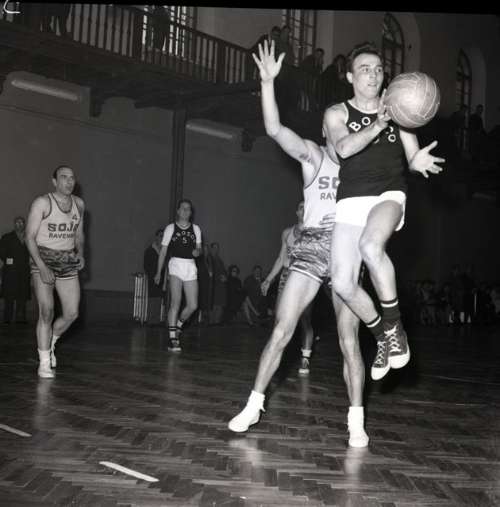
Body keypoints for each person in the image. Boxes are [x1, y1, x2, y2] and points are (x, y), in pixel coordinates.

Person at [228, 40, 368, 448]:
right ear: (326, 131)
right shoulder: (313, 156)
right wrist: (267, 83)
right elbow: (275, 130)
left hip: (346, 249)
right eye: (334, 127)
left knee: (348, 340)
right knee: (281, 329)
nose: (341, 132)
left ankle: (356, 419)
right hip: (310, 246)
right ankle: (254, 404)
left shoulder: (363, 170)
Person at [322, 41, 445, 381]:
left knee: (371, 246)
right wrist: (377, 125)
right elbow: (344, 148)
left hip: (389, 193)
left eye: (378, 69)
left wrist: (418, 161)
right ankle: (382, 336)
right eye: (365, 69)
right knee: (342, 282)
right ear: (350, 76)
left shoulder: (398, 107)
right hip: (351, 199)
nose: (373, 75)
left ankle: (395, 328)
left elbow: (412, 155)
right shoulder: (336, 113)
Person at [25, 166, 85, 378]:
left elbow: (79, 235)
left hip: (67, 259)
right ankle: (44, 363)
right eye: (63, 177)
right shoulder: (42, 203)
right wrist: (41, 266)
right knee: (47, 311)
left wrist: (81, 253)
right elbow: (29, 237)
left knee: (72, 313)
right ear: (54, 181)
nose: (69, 181)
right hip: (43, 258)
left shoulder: (79, 204)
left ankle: (51, 342)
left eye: (72, 177)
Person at [260, 201, 317, 375]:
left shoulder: (316, 232)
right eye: (300, 207)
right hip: (286, 276)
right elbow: (280, 258)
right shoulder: (287, 232)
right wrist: (268, 279)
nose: (303, 210)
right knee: (279, 319)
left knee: (305, 319)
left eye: (306, 207)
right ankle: (276, 359)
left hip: (306, 277)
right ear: (296, 212)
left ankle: (305, 358)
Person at [154, 199, 202, 352]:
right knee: (176, 302)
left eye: (189, 209)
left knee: (193, 305)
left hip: (190, 266)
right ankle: (172, 338)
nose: (186, 211)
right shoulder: (170, 228)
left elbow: (199, 249)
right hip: (175, 265)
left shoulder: (196, 229)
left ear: (191, 212)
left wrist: (198, 252)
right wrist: (159, 272)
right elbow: (163, 252)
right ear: (178, 211)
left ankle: (178, 326)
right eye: (183, 208)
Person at [0, 216, 31, 324]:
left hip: (24, 271)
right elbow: (2, 252)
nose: (19, 224)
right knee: (9, 295)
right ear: (14, 224)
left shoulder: (29, 237)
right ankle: (7, 318)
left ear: (24, 224)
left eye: (21, 222)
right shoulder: (7, 237)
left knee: (22, 295)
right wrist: (10, 262)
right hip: (10, 271)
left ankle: (20, 318)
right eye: (17, 222)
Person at [143, 228, 168, 323]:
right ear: (156, 237)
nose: (162, 238)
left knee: (159, 299)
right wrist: (153, 275)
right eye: (161, 236)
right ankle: (151, 320)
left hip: (162, 280)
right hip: (153, 279)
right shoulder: (150, 251)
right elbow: (146, 265)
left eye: (163, 236)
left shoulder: (164, 251)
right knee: (153, 299)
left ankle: (156, 320)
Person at [208, 242, 227, 325]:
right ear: (211, 248)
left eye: (217, 248)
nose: (216, 250)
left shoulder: (219, 259)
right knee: (213, 304)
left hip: (220, 286)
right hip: (212, 285)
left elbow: (224, 271)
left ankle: (217, 322)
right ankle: (211, 322)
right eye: (214, 248)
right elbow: (208, 272)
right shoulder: (208, 259)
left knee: (220, 304)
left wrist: (225, 277)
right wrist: (219, 278)